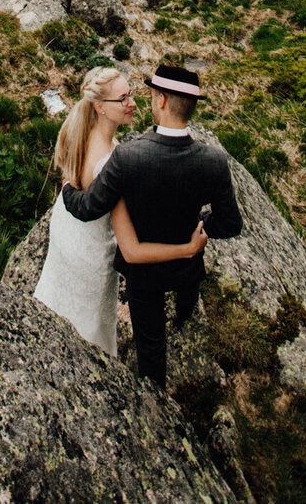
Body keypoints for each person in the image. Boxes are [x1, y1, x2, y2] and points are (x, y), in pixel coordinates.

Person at [62, 62, 243, 388]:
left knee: (151, 344)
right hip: (187, 265)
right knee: (187, 295)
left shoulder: (128, 157)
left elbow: (88, 208)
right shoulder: (214, 160)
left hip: (144, 276)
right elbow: (230, 223)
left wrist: (66, 189)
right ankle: (185, 315)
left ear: (161, 100)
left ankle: (155, 394)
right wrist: (202, 227)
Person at [33, 65, 209, 356]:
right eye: (123, 99)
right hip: (90, 252)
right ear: (100, 107)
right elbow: (132, 251)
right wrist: (188, 249)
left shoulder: (81, 132)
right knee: (89, 332)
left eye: (132, 95)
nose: (133, 104)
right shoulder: (110, 164)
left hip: (68, 234)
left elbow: (74, 184)